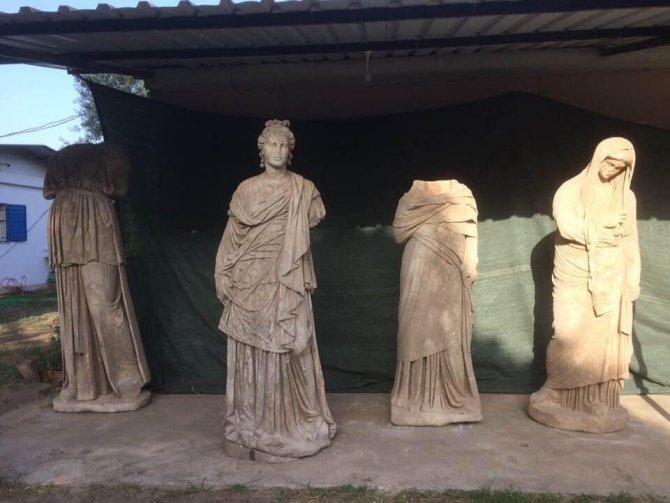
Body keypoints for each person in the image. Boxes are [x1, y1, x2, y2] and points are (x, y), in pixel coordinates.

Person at [215, 120, 335, 460]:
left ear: (290, 151)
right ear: (262, 149)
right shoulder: (246, 190)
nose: (278, 150)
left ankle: (289, 424)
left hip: (287, 278)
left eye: (283, 145)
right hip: (249, 278)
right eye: (272, 144)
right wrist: (222, 271)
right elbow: (232, 236)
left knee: (295, 345)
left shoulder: (304, 190)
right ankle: (252, 425)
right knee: (252, 351)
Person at [529, 137, 640, 432]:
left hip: (611, 275)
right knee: (566, 332)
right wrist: (603, 230)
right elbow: (566, 227)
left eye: (620, 168)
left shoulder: (627, 198)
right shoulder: (570, 190)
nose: (614, 170)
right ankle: (554, 390)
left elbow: (630, 239)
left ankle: (596, 399)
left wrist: (633, 277)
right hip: (574, 272)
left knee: (604, 342)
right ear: (599, 158)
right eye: (611, 163)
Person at [44, 143, 151, 412]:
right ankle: (81, 384)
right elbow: (49, 190)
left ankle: (127, 377)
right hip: (65, 221)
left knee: (105, 305)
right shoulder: (64, 157)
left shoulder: (110, 153)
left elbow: (121, 189)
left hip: (93, 220)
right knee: (73, 308)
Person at [391, 179, 481, 426]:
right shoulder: (410, 197)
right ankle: (413, 398)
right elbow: (398, 233)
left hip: (452, 267)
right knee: (414, 331)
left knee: (450, 329)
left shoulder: (463, 194)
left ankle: (452, 397)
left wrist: (471, 261)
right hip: (418, 264)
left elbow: (472, 236)